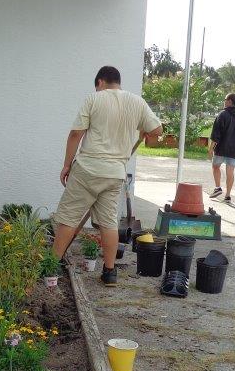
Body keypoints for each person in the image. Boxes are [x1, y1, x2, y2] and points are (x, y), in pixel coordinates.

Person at [52, 66, 162, 286]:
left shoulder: (94, 99)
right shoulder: (137, 103)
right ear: (118, 82)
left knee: (69, 218)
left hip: (87, 170)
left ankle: (49, 265)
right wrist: (145, 132)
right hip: (115, 174)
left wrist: (66, 164)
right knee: (108, 224)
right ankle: (110, 272)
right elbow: (157, 130)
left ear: (100, 82)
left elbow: (76, 133)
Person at [208, 93, 235, 202]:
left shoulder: (223, 114)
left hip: (221, 147)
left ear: (229, 101)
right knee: (230, 171)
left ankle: (217, 188)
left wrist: (211, 149)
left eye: (225, 99)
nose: (224, 101)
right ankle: (228, 195)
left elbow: (216, 134)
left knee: (215, 166)